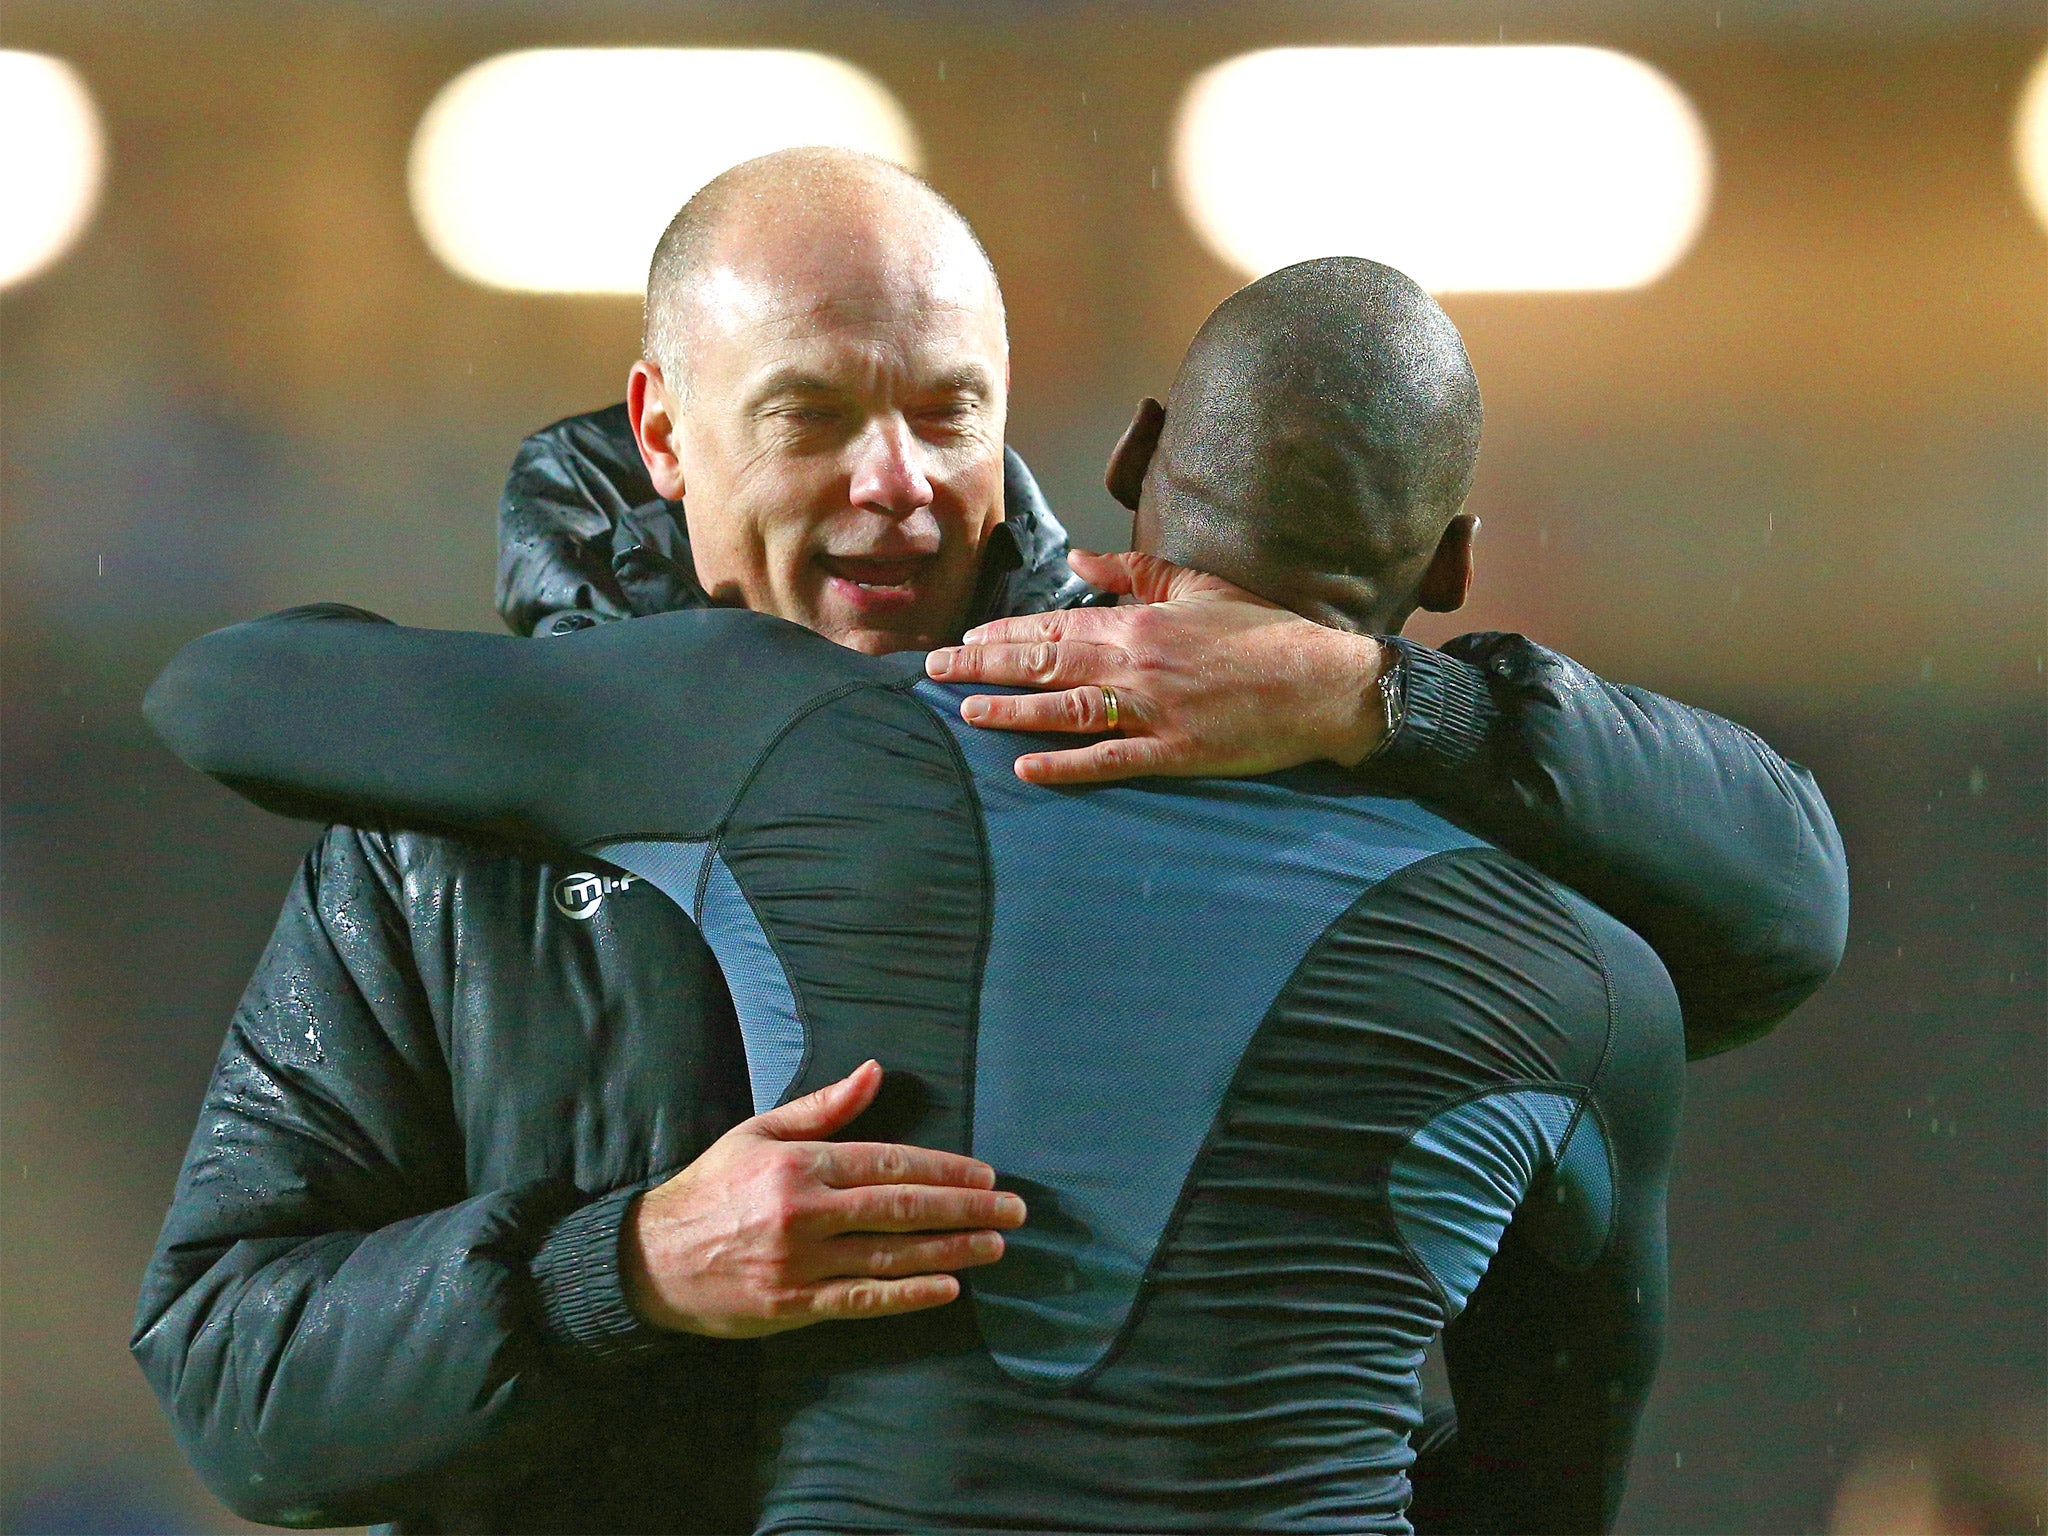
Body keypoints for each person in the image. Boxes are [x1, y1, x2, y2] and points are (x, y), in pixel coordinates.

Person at [132, 150, 1845, 1532]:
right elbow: (237, 1388)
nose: (898, 482)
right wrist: (623, 1272)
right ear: (661, 429)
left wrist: (1387, 696)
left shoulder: (1223, 748)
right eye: (811, 415)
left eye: (949, 413)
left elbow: (1783, 905)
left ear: (1065, 435)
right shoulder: (448, 841)